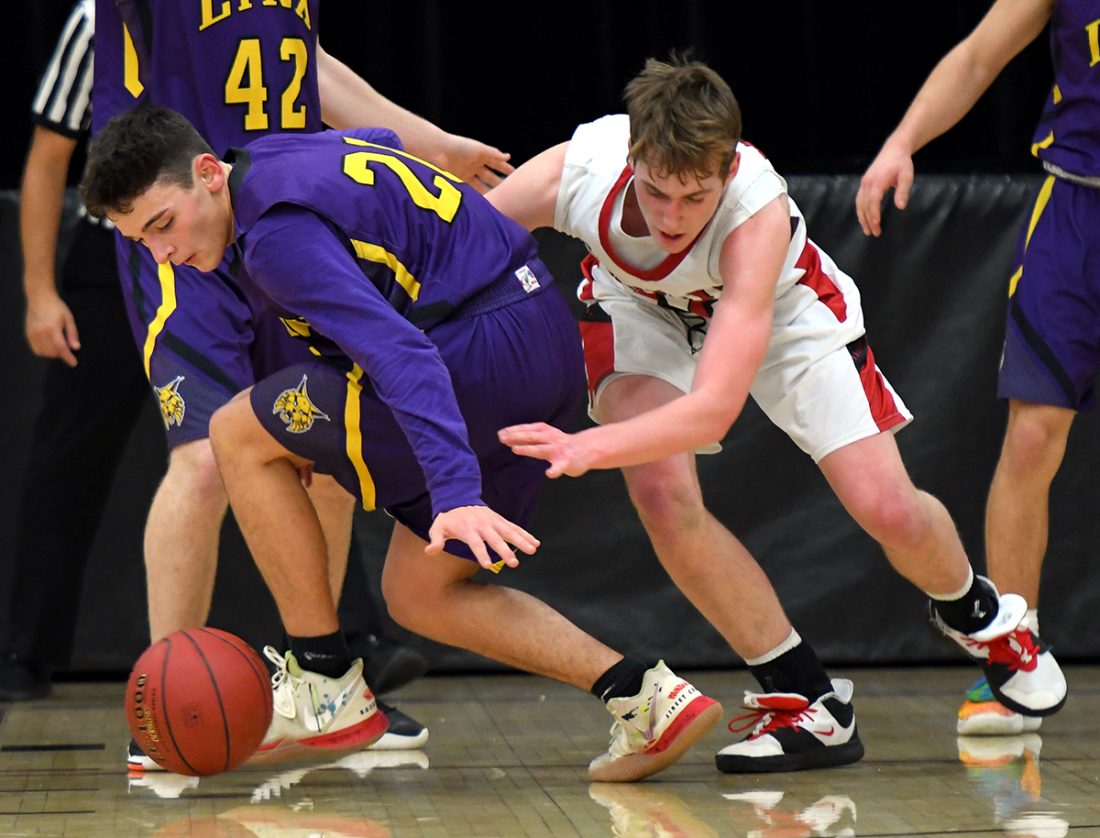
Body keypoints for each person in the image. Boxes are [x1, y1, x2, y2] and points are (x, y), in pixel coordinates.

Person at [80, 104, 723, 782]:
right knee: (419, 593)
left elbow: (403, 354)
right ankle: (644, 697)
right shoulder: (282, 153)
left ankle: (323, 679)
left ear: (209, 174)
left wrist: (456, 492)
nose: (163, 253)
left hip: (473, 355)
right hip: (539, 333)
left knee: (235, 432)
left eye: (163, 224)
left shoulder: (274, 239)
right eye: (140, 241)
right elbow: (379, 141)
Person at [491, 56, 1067, 772]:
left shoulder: (754, 213)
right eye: (657, 192)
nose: (671, 217)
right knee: (662, 494)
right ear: (632, 157)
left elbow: (712, 411)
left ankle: (979, 615)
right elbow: (453, 248)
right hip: (639, 307)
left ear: (728, 171)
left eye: (695, 197)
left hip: (782, 310)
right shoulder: (575, 171)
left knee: (886, 506)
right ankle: (806, 701)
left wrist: (588, 448)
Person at [90, 0, 508, 766]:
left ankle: (326, 687)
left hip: (280, 211)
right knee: (205, 460)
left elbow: (311, 65)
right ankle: (163, 711)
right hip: (180, 216)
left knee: (322, 453)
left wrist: (431, 140)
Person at [855, 0, 1089, 735]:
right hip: (1078, 207)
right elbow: (978, 55)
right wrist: (902, 141)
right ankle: (1013, 659)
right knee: (1033, 430)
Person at [0, 0, 150, 702]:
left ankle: (346, 638)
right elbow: (47, 158)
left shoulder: (244, 16)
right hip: (115, 258)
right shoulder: (98, 20)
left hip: (217, 258)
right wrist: (39, 291)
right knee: (69, 455)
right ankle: (28, 649)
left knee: (285, 432)